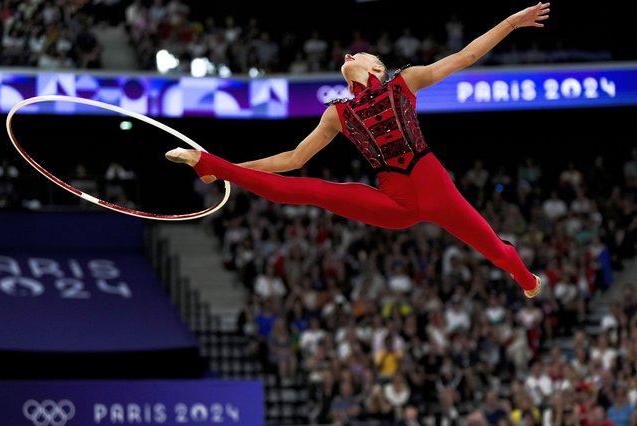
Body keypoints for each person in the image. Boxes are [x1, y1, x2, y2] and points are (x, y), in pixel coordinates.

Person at [166, 2, 550, 298]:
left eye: (358, 54)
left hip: (435, 188)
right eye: (349, 56)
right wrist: (229, 167)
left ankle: (528, 281)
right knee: (311, 191)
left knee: (498, 250)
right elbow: (293, 159)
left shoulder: (405, 82)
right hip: (394, 202)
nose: (349, 56)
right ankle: (208, 163)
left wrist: (512, 22)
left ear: (377, 68)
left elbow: (465, 57)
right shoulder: (338, 113)